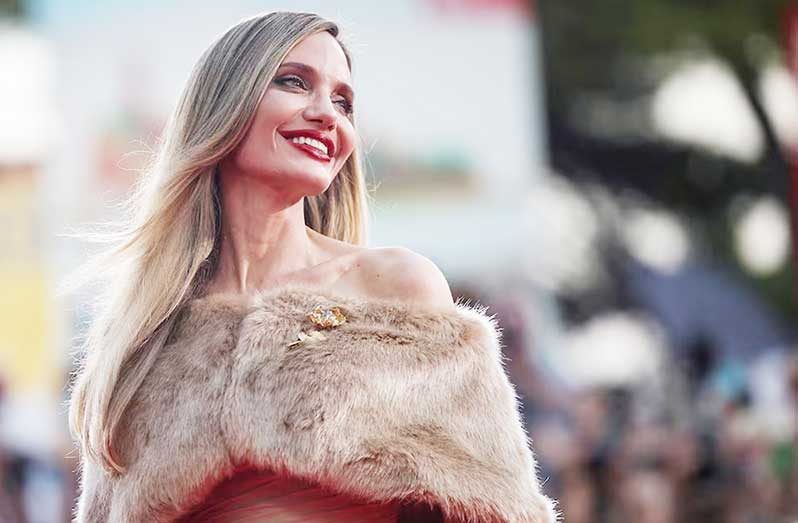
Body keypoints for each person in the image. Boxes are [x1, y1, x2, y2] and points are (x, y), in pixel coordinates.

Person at [67, 11, 558, 523]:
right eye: (295, 82)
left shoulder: (395, 288)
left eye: (344, 102)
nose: (328, 114)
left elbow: (493, 507)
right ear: (226, 103)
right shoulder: (144, 340)